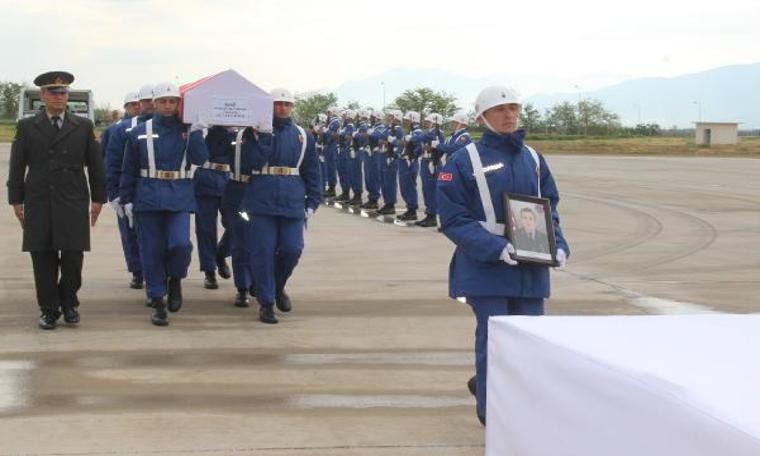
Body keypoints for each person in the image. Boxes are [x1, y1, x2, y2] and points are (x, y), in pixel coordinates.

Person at [437, 85, 570, 425]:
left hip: (531, 265)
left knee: (529, 343)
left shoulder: (534, 158)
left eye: (513, 108)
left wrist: (559, 244)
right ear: (482, 117)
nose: (509, 115)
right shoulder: (463, 159)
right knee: (494, 341)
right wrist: (495, 247)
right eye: (500, 110)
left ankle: (511, 401)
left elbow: (549, 207)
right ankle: (492, 415)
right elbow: (452, 217)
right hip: (487, 267)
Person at [7, 71, 106, 329]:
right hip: (39, 198)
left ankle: (69, 302)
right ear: (42, 96)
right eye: (53, 92)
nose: (59, 97)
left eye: (63, 92)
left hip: (73, 197)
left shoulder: (83, 126)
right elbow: (17, 165)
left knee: (73, 257)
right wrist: (16, 200)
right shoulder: (27, 126)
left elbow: (95, 166)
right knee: (43, 257)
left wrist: (98, 199)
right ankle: (49, 309)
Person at [120, 82, 208, 326]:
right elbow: (129, 168)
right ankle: (158, 301)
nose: (168, 105)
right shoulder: (139, 131)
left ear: (179, 104)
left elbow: (200, 159)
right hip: (148, 195)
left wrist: (199, 133)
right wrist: (125, 198)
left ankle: (176, 279)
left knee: (180, 244)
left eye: (173, 101)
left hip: (179, 193)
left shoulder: (188, 130)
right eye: (163, 101)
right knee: (151, 250)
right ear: (154, 103)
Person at [240, 88, 321, 324]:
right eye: (277, 104)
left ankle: (277, 286)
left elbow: (312, 170)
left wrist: (313, 201)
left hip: (292, 200)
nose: (282, 108)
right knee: (263, 251)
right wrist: (263, 136)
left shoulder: (303, 135)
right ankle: (266, 302)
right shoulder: (253, 132)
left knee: (292, 249)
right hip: (261, 199)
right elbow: (249, 163)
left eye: (287, 104)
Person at [104, 88, 151, 290]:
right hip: (124, 189)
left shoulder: (151, 128)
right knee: (129, 233)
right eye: (133, 105)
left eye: (139, 104)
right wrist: (113, 194)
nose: (137, 107)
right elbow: (107, 163)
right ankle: (137, 272)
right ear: (127, 107)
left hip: (147, 188)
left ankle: (152, 272)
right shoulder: (116, 130)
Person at [193, 124, 233, 290]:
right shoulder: (201, 126)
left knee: (236, 224)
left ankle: (220, 253)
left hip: (231, 180)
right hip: (206, 178)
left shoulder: (240, 126)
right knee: (205, 228)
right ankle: (209, 271)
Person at [416, 113, 445, 227]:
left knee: (431, 190)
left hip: (432, 163)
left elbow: (439, 148)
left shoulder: (437, 133)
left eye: (428, 121)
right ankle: (429, 214)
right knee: (426, 190)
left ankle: (432, 216)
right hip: (426, 161)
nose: (426, 123)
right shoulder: (430, 133)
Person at [396, 111, 424, 222]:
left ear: (413, 120)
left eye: (407, 120)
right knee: (404, 187)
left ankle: (412, 211)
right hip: (405, 161)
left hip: (409, 163)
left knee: (409, 187)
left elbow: (419, 147)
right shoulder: (411, 132)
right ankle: (410, 209)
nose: (405, 121)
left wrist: (411, 156)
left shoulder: (417, 132)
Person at [377, 109, 404, 215]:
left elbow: (400, 144)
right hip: (384, 156)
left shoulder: (398, 130)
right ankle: (387, 203)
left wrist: (389, 142)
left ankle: (390, 204)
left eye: (390, 116)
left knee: (389, 183)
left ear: (395, 117)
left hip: (391, 158)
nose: (387, 117)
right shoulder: (388, 128)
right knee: (384, 182)